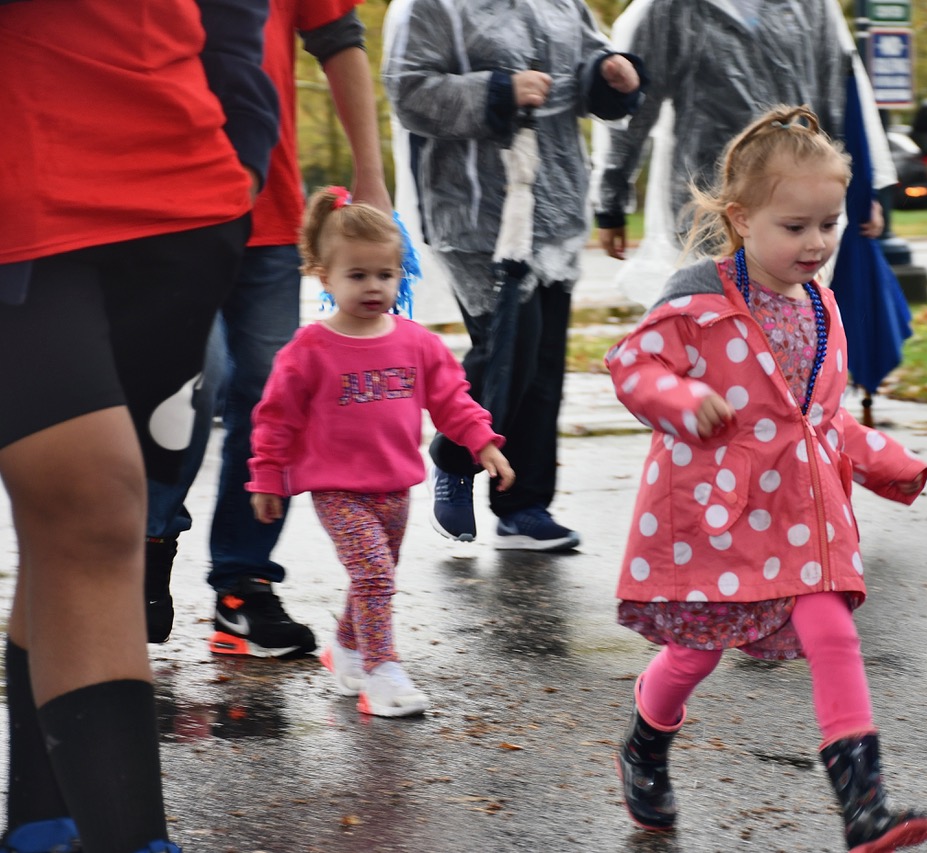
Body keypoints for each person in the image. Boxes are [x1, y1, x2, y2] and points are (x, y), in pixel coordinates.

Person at [605, 106, 927, 853]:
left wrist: (885, 460)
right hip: (715, 514)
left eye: (829, 223)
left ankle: (864, 806)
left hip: (802, 516)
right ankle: (646, 744)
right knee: (694, 652)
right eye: (795, 226)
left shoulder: (822, 305)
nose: (815, 243)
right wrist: (684, 399)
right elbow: (632, 367)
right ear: (741, 217)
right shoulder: (699, 299)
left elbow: (818, 419)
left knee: (832, 630)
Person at [0, 1, 277, 851]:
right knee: (94, 502)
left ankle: (41, 822)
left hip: (182, 197)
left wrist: (242, 156)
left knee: (71, 527)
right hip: (24, 177)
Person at [143, 0, 395, 658]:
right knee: (197, 377)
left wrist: (370, 176)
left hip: (267, 207)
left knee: (272, 396)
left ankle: (242, 584)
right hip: (156, 206)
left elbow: (339, 39)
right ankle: (145, 542)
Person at [383, 0, 645, 551]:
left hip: (554, 208)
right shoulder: (429, 7)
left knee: (544, 365)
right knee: (511, 352)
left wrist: (609, 78)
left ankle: (522, 509)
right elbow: (407, 91)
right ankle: (455, 455)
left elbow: (586, 71)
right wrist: (497, 91)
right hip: (477, 213)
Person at [246, 187, 515, 717]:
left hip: (395, 486)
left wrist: (482, 442)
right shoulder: (309, 350)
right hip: (336, 489)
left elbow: (452, 400)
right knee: (374, 575)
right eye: (357, 275)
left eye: (385, 275)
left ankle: (345, 648)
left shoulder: (416, 343)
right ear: (325, 277)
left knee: (374, 576)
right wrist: (267, 476)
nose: (374, 287)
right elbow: (275, 419)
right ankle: (381, 670)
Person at [591, 0, 895, 305]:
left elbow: (838, 93)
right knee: (712, 316)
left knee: (788, 315)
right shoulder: (673, 8)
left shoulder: (810, 6)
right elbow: (632, 106)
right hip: (709, 203)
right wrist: (610, 200)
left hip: (797, 199)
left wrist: (863, 189)